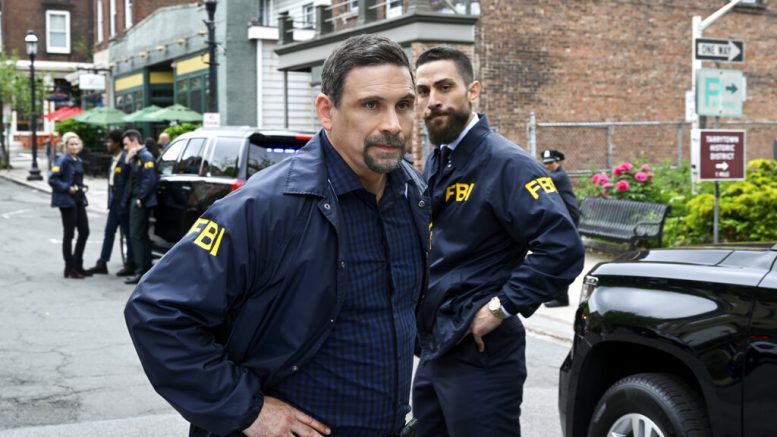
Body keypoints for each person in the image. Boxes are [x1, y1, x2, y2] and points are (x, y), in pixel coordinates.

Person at [124, 34, 428, 437]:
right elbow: (157, 312)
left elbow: (406, 313)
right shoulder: (264, 206)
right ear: (327, 111)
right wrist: (246, 409)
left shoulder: (413, 194)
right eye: (371, 105)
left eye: (403, 105)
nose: (392, 124)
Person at [412, 46, 585, 436]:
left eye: (444, 87)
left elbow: (562, 247)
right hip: (438, 345)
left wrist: (501, 306)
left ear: (472, 91)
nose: (433, 100)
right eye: (423, 91)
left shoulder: (507, 163)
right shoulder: (440, 160)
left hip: (481, 352)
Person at [85, 129, 135, 276]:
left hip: (123, 202)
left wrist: (125, 201)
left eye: (109, 142)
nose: (107, 144)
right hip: (114, 201)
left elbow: (129, 182)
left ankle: (130, 264)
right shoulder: (114, 158)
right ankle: (102, 262)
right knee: (109, 232)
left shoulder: (126, 158)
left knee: (127, 234)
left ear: (117, 143)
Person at [541, 149, 581, 308]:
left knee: (562, 258)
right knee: (557, 257)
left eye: (550, 163)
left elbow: (541, 179)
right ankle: (557, 295)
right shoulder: (553, 175)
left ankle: (561, 297)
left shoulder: (559, 176)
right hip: (562, 218)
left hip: (569, 219)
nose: (547, 166)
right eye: (545, 164)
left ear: (558, 162)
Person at [49, 132, 91, 279]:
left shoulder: (78, 160)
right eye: (71, 144)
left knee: (84, 231)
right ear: (66, 146)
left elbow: (77, 180)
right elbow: (53, 179)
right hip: (66, 201)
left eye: (76, 144)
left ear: (80, 145)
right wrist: (67, 188)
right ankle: (69, 267)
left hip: (78, 199)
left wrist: (83, 187)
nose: (74, 146)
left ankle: (78, 264)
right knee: (69, 233)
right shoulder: (63, 160)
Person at [121, 129, 158, 285]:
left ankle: (141, 271)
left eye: (126, 144)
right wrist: (127, 160)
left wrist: (141, 199)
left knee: (136, 235)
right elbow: (126, 178)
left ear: (135, 141)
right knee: (140, 235)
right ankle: (144, 270)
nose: (125, 148)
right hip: (135, 199)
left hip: (140, 201)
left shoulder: (146, 156)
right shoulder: (135, 157)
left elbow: (149, 180)